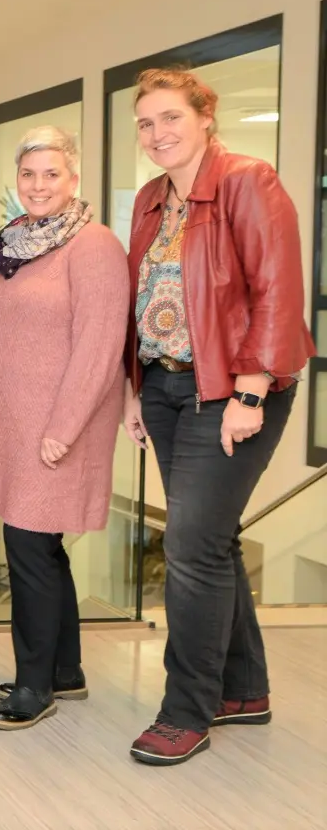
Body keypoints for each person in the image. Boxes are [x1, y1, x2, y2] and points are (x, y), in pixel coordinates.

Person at [121, 69, 313, 766]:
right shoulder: (149, 199)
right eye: (145, 123)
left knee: (189, 549)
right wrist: (131, 389)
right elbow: (139, 297)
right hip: (167, 389)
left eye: (170, 117)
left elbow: (276, 289)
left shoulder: (246, 180)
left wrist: (252, 391)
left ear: (206, 116)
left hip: (230, 389)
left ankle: (186, 709)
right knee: (213, 542)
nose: (157, 133)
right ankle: (244, 689)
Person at [0, 126, 128, 732]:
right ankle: (64, 669)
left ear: (73, 178)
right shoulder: (10, 242)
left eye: (51, 174)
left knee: (28, 548)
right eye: (28, 174)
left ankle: (33, 686)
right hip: (6, 421)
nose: (38, 185)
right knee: (42, 547)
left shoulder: (95, 246)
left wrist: (65, 425)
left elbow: (101, 344)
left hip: (56, 424)